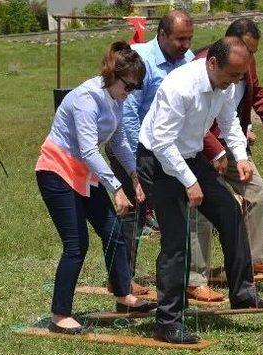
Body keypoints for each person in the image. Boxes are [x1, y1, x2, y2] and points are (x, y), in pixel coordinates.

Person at [137, 37, 263, 344]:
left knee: (229, 212)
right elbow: (161, 143)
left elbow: (229, 125)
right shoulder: (181, 87)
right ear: (212, 63)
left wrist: (240, 157)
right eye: (231, 76)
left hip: (188, 154)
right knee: (175, 239)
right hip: (158, 160)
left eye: (240, 77)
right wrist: (189, 181)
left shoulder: (225, 84)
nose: (234, 83)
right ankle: (168, 321)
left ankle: (243, 294)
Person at [35, 42, 157, 335]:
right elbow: (89, 149)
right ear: (112, 75)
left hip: (82, 175)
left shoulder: (117, 98)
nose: (130, 93)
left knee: (113, 232)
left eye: (135, 88)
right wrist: (116, 188)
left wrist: (134, 177)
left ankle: (123, 294)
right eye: (128, 86)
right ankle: (59, 314)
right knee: (76, 245)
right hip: (56, 172)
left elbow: (118, 141)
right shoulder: (86, 98)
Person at [191, 18, 263, 289]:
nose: (250, 58)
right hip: (200, 145)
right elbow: (193, 122)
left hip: (231, 141)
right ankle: (195, 279)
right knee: (202, 207)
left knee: (255, 191)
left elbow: (255, 92)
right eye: (248, 50)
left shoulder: (245, 60)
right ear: (231, 42)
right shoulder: (202, 65)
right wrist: (214, 151)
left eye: (254, 53)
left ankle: (257, 259)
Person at [105, 10, 198, 295]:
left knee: (172, 215)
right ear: (162, 35)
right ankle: (122, 281)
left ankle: (180, 280)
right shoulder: (140, 59)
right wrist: (135, 168)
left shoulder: (189, 60)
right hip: (131, 148)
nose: (185, 45)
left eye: (189, 39)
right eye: (179, 39)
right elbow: (129, 115)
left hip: (166, 151)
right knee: (132, 215)